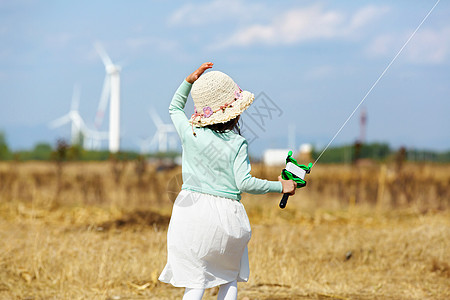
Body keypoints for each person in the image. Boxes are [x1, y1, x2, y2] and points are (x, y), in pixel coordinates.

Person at [159, 62, 296, 300]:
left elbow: (174, 108)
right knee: (229, 277)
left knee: (195, 281)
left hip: (190, 214)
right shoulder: (237, 143)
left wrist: (188, 81)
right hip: (226, 218)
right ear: (235, 111)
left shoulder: (190, 133)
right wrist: (281, 185)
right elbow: (245, 183)